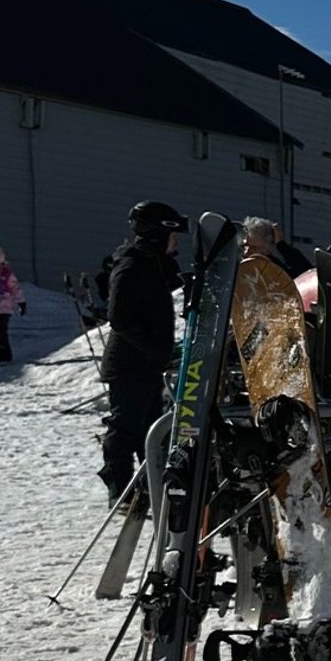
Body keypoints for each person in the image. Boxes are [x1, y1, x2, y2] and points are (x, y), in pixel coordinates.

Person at [100, 200, 185, 503]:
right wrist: (152, 348)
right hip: (130, 364)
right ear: (156, 235)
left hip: (149, 363)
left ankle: (150, 487)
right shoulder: (131, 265)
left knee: (153, 430)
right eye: (173, 238)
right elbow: (119, 318)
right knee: (127, 427)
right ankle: (119, 489)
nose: (176, 245)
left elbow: (177, 279)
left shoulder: (153, 263)